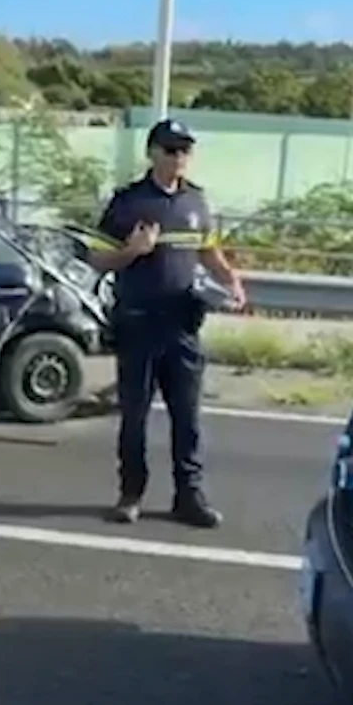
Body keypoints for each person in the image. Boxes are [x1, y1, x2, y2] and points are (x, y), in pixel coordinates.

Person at [89, 118, 248, 528]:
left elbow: (209, 252)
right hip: (139, 324)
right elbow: (96, 259)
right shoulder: (127, 202)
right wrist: (131, 251)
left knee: (188, 418)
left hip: (183, 325)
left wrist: (230, 280)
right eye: (170, 149)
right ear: (152, 153)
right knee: (136, 416)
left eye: (185, 150)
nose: (179, 158)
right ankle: (130, 494)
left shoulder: (196, 201)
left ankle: (189, 497)